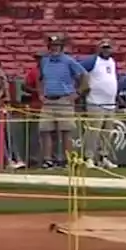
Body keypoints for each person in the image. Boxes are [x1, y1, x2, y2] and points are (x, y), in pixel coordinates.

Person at [36, 33, 87, 169]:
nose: (55, 48)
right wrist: (41, 93)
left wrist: (78, 93)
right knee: (45, 130)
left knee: (66, 131)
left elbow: (83, 75)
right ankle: (48, 159)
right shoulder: (44, 61)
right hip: (48, 100)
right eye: (52, 46)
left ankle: (67, 159)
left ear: (62, 47)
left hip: (64, 99)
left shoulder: (68, 61)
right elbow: (39, 77)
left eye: (57, 46)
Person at [79, 40, 121, 169]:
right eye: (104, 48)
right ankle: (89, 157)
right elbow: (78, 70)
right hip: (95, 101)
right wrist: (83, 86)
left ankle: (104, 157)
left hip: (110, 102)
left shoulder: (112, 62)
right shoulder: (93, 61)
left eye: (108, 48)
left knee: (107, 133)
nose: (106, 50)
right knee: (94, 131)